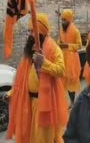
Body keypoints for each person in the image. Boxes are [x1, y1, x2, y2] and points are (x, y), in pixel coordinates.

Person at [6, 14, 68, 143]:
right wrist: (11, 93)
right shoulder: (29, 51)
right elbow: (21, 81)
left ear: (41, 32)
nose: (30, 35)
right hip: (28, 102)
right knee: (29, 137)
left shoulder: (54, 49)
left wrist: (44, 63)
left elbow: (61, 70)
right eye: (29, 31)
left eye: (32, 31)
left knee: (43, 139)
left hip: (46, 105)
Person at [58, 9, 82, 107]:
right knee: (64, 82)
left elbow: (79, 45)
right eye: (62, 20)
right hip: (63, 59)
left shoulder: (76, 31)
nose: (63, 22)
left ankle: (73, 102)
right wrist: (59, 45)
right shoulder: (61, 31)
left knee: (71, 82)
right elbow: (58, 42)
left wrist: (68, 46)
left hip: (72, 61)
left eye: (65, 20)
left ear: (69, 20)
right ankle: (66, 102)